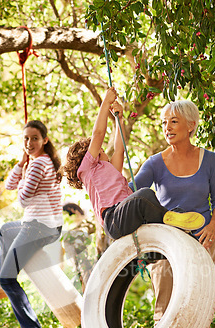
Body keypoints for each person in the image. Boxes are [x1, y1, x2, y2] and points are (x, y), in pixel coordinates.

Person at [130, 100, 215, 328]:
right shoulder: (155, 163)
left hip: (200, 243)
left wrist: (213, 226)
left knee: (198, 312)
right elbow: (132, 193)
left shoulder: (209, 160)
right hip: (165, 245)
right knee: (163, 310)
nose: (167, 127)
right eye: (164, 121)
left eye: (173, 121)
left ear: (191, 125)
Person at [62, 87, 205, 242]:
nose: (103, 151)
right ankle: (167, 220)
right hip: (114, 218)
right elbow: (98, 134)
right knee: (144, 196)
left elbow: (119, 149)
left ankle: (183, 234)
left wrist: (120, 120)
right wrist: (105, 103)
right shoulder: (87, 170)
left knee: (176, 211)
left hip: (129, 214)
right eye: (100, 149)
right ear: (91, 155)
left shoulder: (109, 169)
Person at [0, 120, 63, 328]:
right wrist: (21, 164)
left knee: (9, 279)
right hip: (41, 225)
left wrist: (27, 174)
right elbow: (9, 185)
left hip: (39, 227)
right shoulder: (40, 161)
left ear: (45, 140)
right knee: (6, 229)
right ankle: (0, 284)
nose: (29, 143)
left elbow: (23, 199)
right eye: (25, 139)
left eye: (34, 138)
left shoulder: (40, 164)